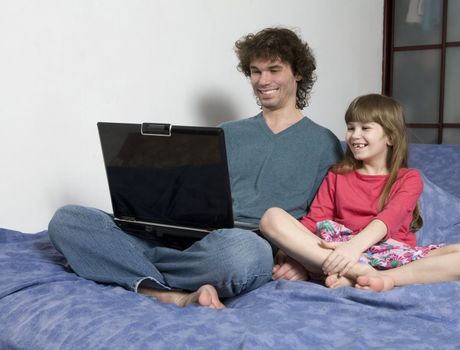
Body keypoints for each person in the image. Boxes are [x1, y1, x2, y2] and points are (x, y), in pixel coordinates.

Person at [47, 27, 343, 308]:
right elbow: (189, 192)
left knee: (241, 255)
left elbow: (326, 215)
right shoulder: (226, 131)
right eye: (255, 71)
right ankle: (168, 291)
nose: (263, 80)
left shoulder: (323, 143)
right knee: (68, 220)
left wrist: (298, 259)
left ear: (298, 73)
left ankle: (120, 263)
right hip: (190, 236)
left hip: (244, 244)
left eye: (274, 70)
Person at [259, 93, 460, 292]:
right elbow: (314, 221)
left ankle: (382, 279)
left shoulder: (409, 178)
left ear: (390, 137)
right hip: (338, 249)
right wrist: (291, 254)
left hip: (390, 256)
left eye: (365, 128)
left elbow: (389, 218)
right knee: (272, 217)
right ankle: (358, 273)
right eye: (351, 128)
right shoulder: (337, 174)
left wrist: (354, 248)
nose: (354, 135)